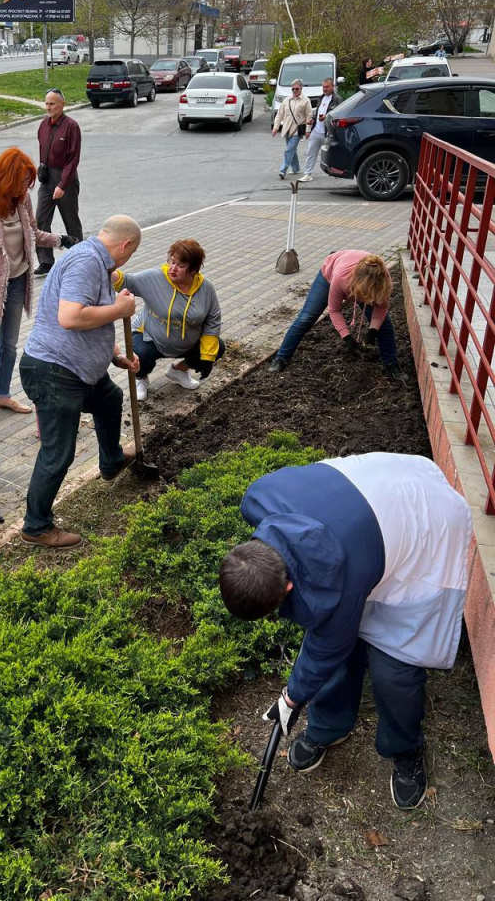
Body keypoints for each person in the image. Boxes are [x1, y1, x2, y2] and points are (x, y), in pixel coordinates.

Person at [218, 452, 472, 810]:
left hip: (427, 521)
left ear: (287, 589)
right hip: (375, 498)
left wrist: (291, 698)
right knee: (340, 639)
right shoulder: (259, 500)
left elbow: (325, 649)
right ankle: (329, 727)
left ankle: (405, 747)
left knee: (394, 667)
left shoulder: (337, 590)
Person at [19, 215, 142, 548]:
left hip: (76, 370)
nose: (125, 263)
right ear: (125, 245)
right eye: (128, 255)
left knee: (109, 399)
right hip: (55, 371)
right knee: (58, 453)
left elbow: (93, 316)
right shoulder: (87, 261)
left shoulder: (96, 262)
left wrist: (115, 354)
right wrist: (120, 309)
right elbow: (70, 318)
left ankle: (112, 461)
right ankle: (36, 526)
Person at [0, 146, 78, 432]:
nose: (26, 189)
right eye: (22, 182)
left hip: (17, 280)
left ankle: (2, 395)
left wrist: (61, 239)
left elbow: (33, 234)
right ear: (6, 177)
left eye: (29, 184)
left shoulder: (22, 200)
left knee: (10, 345)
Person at [267, 250, 408, 382]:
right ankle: (281, 358)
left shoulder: (382, 281)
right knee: (307, 317)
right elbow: (334, 310)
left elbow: (381, 308)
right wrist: (347, 338)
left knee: (384, 324)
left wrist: (373, 331)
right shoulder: (341, 278)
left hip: (361, 281)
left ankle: (391, 364)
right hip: (330, 274)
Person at [112, 238, 224, 402]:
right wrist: (104, 266)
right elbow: (125, 281)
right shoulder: (155, 278)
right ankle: (141, 378)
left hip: (187, 343)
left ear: (193, 270)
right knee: (140, 355)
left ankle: (178, 371)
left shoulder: (206, 289)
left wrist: (206, 358)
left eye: (181, 265)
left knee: (217, 347)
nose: (173, 268)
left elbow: (212, 322)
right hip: (150, 337)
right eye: (172, 261)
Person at [34, 88, 83, 277]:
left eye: (52, 103)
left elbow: (73, 159)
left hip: (66, 179)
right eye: (46, 103)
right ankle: (46, 261)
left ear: (63, 104)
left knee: (71, 220)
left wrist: (62, 185)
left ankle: (79, 258)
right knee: (40, 221)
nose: (48, 107)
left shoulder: (71, 126)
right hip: (47, 179)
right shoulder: (43, 125)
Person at [299, 77, 342, 182]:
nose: (325, 89)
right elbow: (318, 113)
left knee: (333, 153)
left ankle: (337, 171)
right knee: (310, 152)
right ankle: (307, 174)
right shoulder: (320, 98)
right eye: (323, 87)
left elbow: (339, 115)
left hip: (328, 132)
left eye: (327, 87)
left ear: (333, 87)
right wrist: (312, 121)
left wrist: (326, 117)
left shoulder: (337, 99)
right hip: (317, 130)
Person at [271, 79, 313, 180]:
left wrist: (308, 130)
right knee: (292, 150)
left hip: (298, 130)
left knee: (289, 150)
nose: (294, 90)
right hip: (287, 129)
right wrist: (276, 127)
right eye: (293, 89)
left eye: (296, 88)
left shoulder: (306, 100)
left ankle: (283, 170)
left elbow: (309, 116)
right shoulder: (287, 100)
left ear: (301, 88)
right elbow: (280, 114)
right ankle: (296, 168)